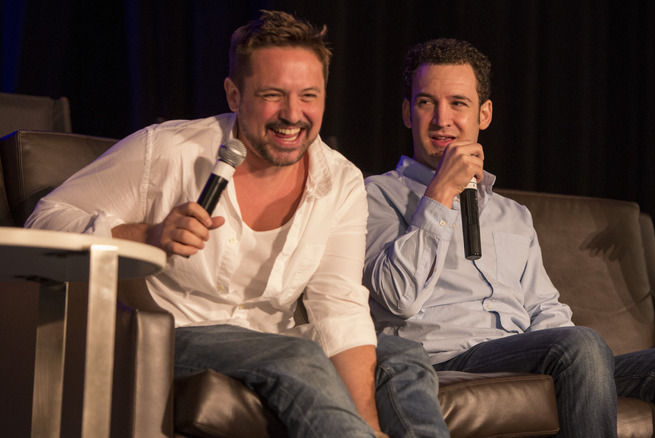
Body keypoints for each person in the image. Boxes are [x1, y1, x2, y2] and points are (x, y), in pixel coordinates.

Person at [25, 11, 449, 438]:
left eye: (308, 96)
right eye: (272, 94)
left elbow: (337, 302)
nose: (292, 114)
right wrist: (146, 236)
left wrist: (369, 423)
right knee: (295, 359)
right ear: (234, 94)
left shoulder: (340, 180)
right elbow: (43, 222)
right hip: (176, 333)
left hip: (273, 335)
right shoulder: (169, 151)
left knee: (401, 356)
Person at [363, 38, 655, 437]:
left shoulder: (512, 214)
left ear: (484, 114)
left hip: (523, 355)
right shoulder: (374, 196)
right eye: (425, 102)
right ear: (405, 112)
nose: (441, 119)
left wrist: (581, 353)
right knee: (581, 347)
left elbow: (544, 309)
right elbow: (397, 298)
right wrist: (439, 196)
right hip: (442, 359)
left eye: (458, 103)